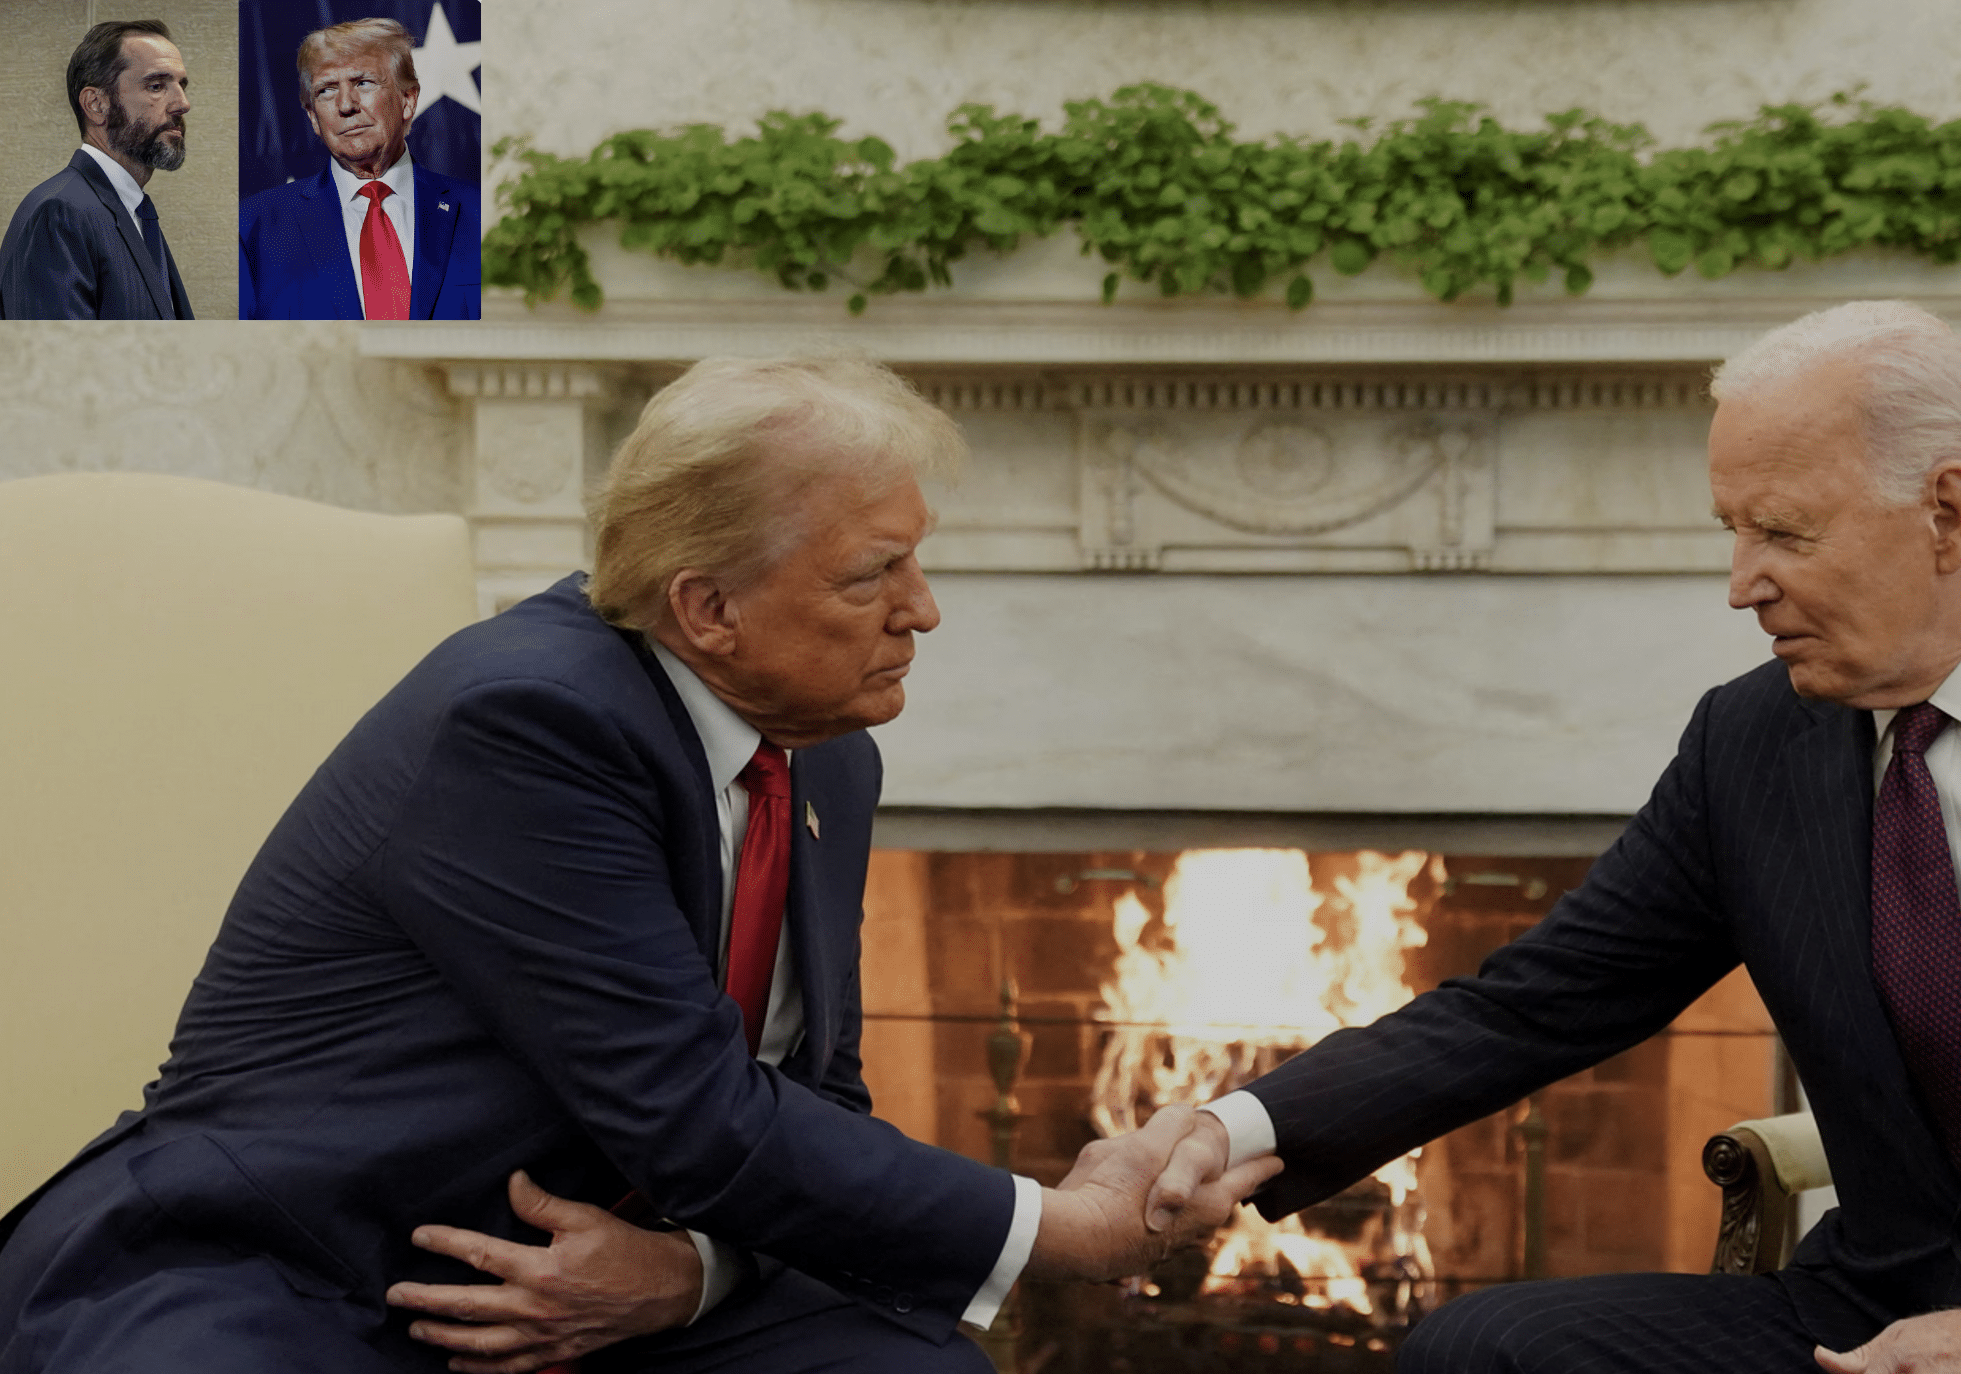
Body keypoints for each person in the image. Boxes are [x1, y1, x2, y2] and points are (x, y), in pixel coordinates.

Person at [1149, 300, 1961, 1374]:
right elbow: (1530, 1005)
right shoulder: (1750, 742)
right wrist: (1240, 1123)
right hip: (1868, 1311)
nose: (1739, 582)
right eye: (1732, 527)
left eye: (1782, 531)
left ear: (1946, 511)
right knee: (1480, 1349)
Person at [0, 356, 1275, 1374]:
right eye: (872, 574)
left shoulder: (823, 754)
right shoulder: (525, 721)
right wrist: (1057, 1229)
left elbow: (806, 1099)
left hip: (613, 1270)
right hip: (298, 1257)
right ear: (704, 607)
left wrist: (690, 1278)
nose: (923, 610)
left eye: (915, 559)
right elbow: (698, 1116)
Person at [238, 18, 481, 320]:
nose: (345, 105)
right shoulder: (252, 229)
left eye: (362, 83)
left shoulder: (478, 214)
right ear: (313, 117)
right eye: (326, 90)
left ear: (408, 99)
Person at [0, 20, 194, 321]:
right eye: (156, 86)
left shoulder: (133, 209)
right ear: (96, 105)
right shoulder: (58, 214)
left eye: (181, 86)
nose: (183, 104)